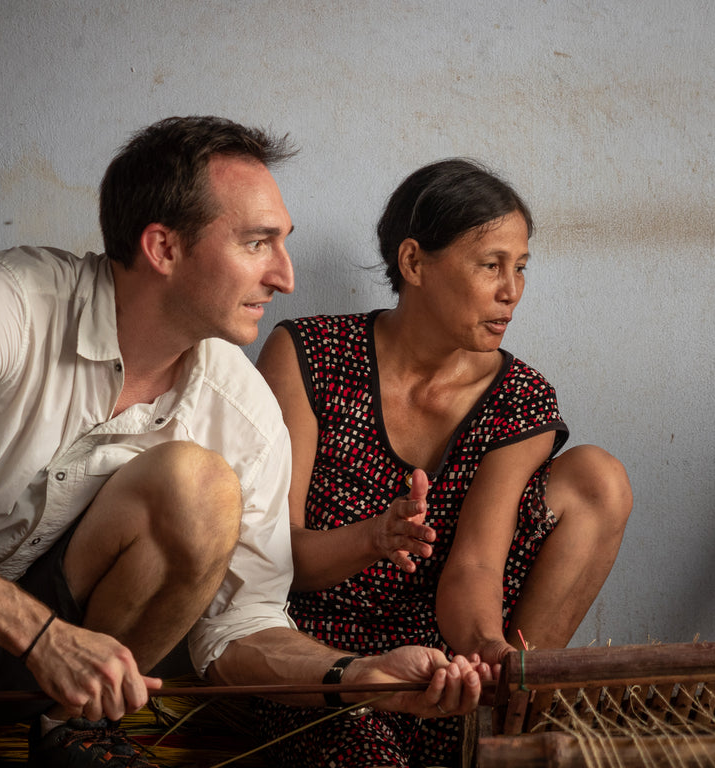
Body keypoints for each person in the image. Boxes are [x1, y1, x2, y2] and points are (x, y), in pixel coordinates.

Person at [0, 117, 486, 767]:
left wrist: (352, 675)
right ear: (163, 248)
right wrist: (40, 635)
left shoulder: (242, 413)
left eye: (282, 244)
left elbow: (240, 629)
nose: (285, 276)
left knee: (197, 486)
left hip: (43, 678)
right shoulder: (1, 307)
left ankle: (69, 726)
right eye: (257, 243)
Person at [251, 158, 633, 766]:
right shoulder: (309, 356)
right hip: (324, 660)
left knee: (596, 477)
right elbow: (280, 561)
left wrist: (489, 649)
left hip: (442, 660)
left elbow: (476, 566)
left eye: (521, 267)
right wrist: (374, 538)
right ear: (413, 263)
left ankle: (500, 711)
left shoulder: (518, 396)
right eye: (490, 265)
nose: (512, 290)